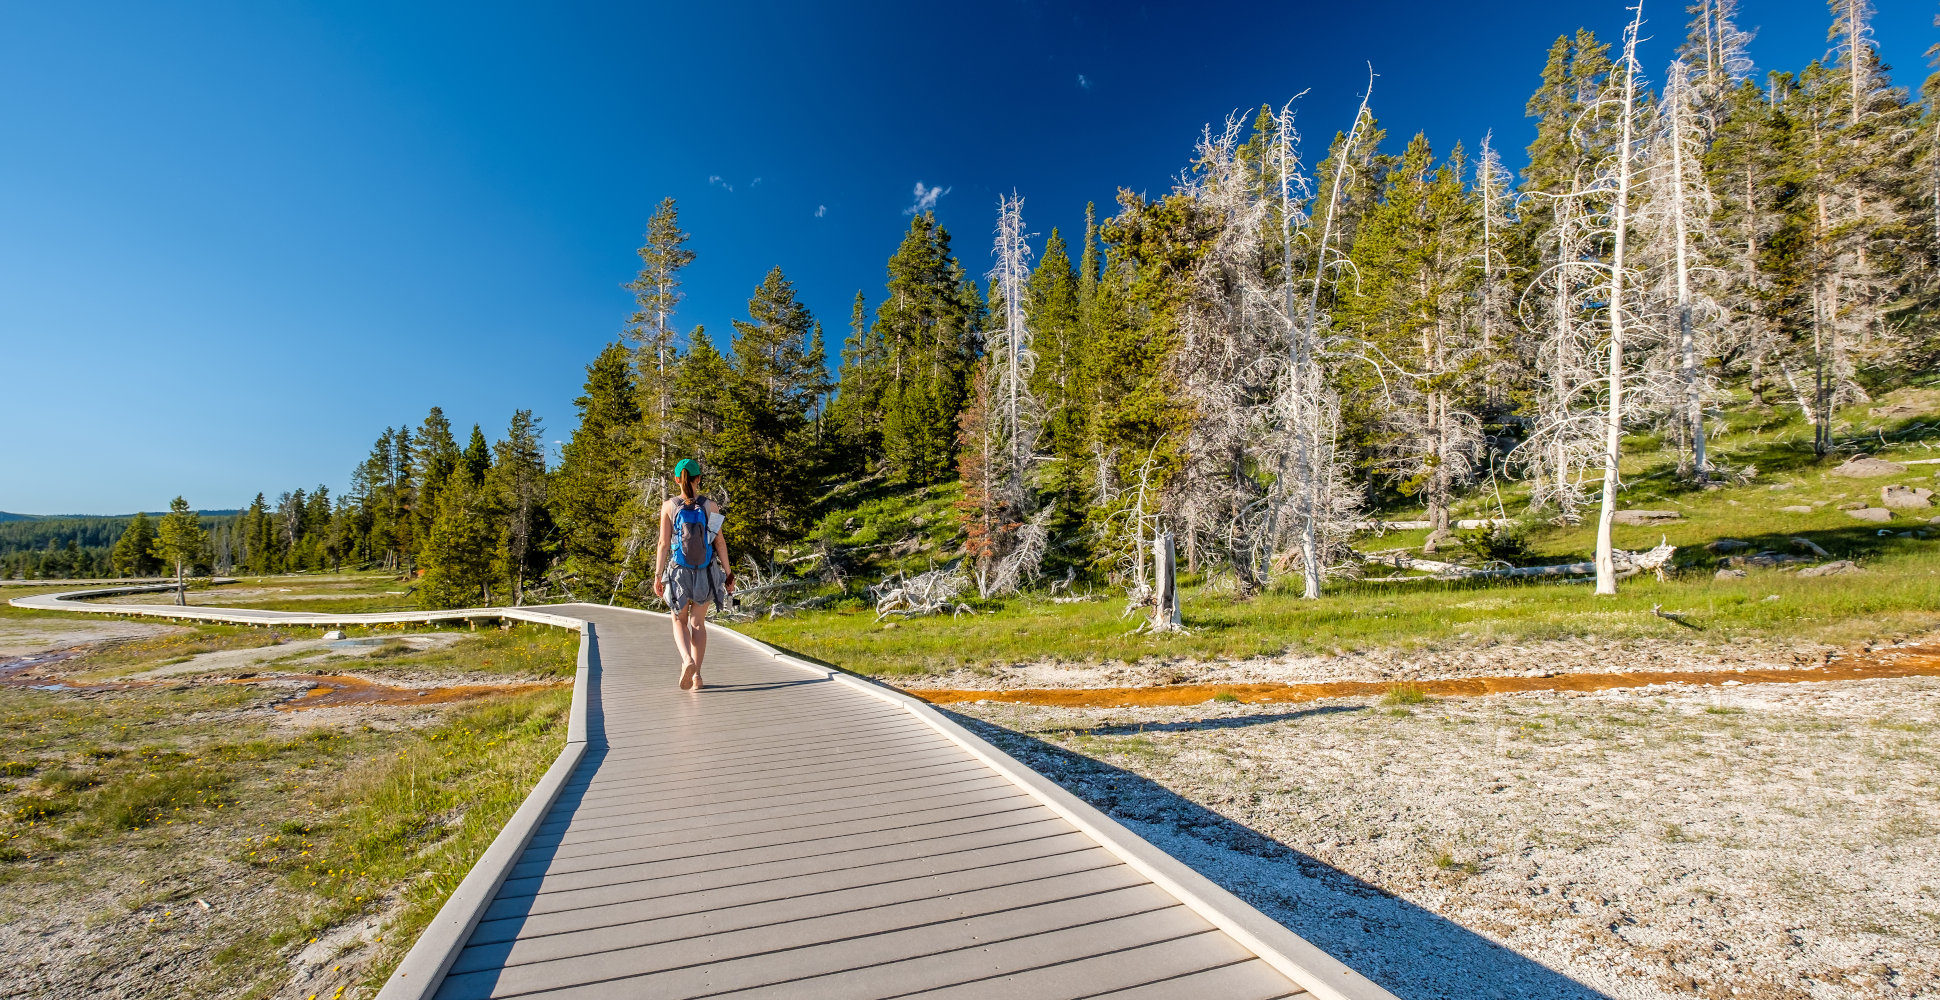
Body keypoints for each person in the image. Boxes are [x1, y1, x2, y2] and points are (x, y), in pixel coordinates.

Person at [652, 459, 734, 690]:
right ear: (698, 479)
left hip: (679, 571)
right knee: (698, 624)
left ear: (677, 479)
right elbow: (719, 542)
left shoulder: (669, 506)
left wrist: (658, 575)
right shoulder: (711, 507)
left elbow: (663, 543)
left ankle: (686, 660)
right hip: (706, 571)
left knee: (679, 619)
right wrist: (728, 574)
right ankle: (697, 677)